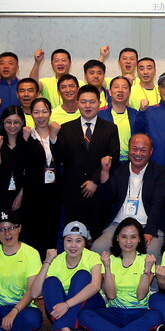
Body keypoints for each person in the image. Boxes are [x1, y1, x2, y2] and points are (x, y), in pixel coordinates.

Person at [82, 218, 162, 331]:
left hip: (139, 312)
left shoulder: (147, 260)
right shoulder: (109, 260)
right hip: (114, 312)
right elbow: (111, 295)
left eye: (133, 237)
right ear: (117, 238)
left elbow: (141, 296)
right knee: (85, 315)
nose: (128, 241)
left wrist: (147, 269)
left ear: (139, 239)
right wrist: (107, 267)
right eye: (124, 237)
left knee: (155, 316)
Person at [29, 220, 104, 331]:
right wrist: (47, 261)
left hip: (86, 308)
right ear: (63, 242)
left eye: (78, 241)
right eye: (69, 240)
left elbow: (95, 286)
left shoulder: (92, 257)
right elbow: (34, 293)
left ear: (85, 243)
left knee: (82, 275)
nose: (73, 245)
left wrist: (67, 304)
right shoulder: (57, 260)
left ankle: (59, 330)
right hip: (61, 312)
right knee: (50, 281)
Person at [52, 85, 120, 231]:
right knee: (74, 236)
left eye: (92, 102)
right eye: (83, 102)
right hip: (73, 193)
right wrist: (53, 139)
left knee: (98, 235)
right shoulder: (66, 129)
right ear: (77, 103)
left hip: (99, 193)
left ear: (99, 103)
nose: (88, 106)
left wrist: (95, 181)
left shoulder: (110, 128)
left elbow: (113, 157)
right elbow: (59, 158)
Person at [91, 133, 165, 259]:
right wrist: (105, 172)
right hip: (118, 224)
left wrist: (149, 231)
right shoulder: (118, 169)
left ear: (151, 152)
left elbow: (158, 204)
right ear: (128, 150)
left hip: (146, 225)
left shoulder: (159, 172)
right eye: (134, 149)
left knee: (151, 251)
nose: (138, 153)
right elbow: (106, 198)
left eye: (143, 150)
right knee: (98, 247)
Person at [21, 97, 62, 254]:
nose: (40, 116)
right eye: (36, 112)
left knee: (52, 232)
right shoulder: (28, 136)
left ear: (50, 113)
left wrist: (54, 138)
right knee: (33, 233)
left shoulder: (58, 133)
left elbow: (64, 158)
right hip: (33, 193)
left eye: (44, 111)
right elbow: (21, 162)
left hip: (54, 192)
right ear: (31, 114)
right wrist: (24, 140)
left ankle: (49, 263)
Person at [98, 76, 148, 162]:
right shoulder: (100, 115)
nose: (120, 90)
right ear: (110, 92)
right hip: (108, 162)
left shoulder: (136, 114)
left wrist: (142, 112)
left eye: (124, 87)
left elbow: (142, 132)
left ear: (129, 93)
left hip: (131, 162)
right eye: (116, 87)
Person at [0, 106, 27, 215]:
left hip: (21, 195)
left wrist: (21, 194)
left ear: (22, 122)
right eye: (8, 122)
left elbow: (30, 172)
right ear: (3, 122)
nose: (12, 126)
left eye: (16, 122)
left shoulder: (26, 141)